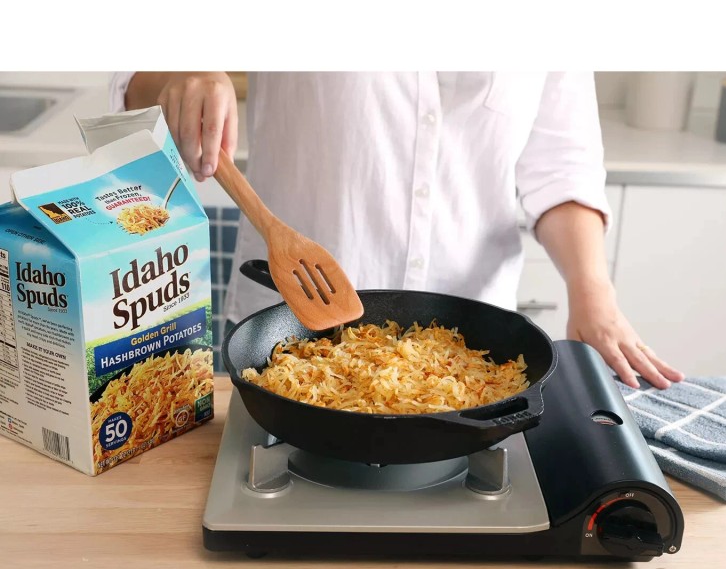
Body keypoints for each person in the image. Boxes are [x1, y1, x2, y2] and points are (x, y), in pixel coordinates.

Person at [111, 71, 683, 390]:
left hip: (475, 352)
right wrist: (181, 75)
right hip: (289, 338)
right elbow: (135, 82)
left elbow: (560, 166)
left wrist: (592, 292)